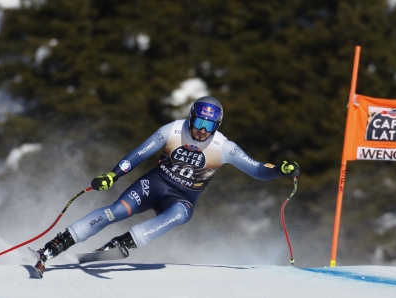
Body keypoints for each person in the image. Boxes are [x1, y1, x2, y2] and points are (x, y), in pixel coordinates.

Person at [32, 96, 300, 277]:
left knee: (178, 216)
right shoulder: (173, 130)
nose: (202, 131)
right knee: (116, 211)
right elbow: (138, 154)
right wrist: (113, 175)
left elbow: (255, 169)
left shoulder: (224, 147)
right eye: (198, 122)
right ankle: (55, 245)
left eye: (209, 126)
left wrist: (278, 170)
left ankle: (117, 247)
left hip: (182, 199)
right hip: (155, 184)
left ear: (217, 127)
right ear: (191, 117)